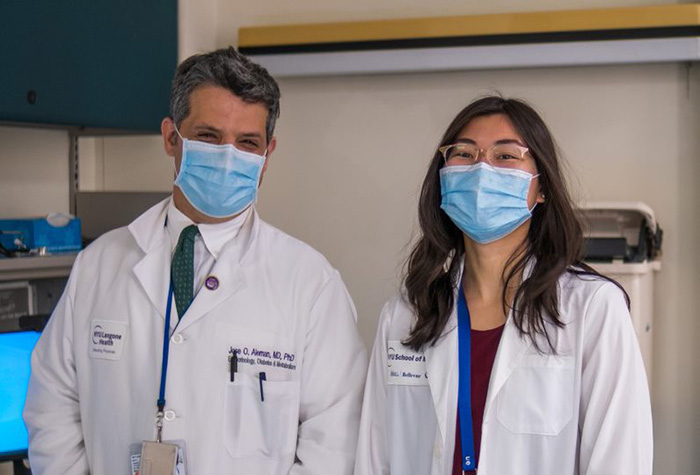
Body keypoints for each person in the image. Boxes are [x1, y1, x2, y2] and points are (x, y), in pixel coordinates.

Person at [24, 47, 367, 475]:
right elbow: (52, 407)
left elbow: (334, 444)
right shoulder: (99, 265)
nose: (228, 155)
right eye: (208, 136)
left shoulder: (311, 284)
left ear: (267, 154)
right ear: (171, 138)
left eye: (247, 143)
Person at [354, 96, 652, 474]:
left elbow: (620, 460)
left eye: (506, 156)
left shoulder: (592, 309)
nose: (481, 169)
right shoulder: (405, 315)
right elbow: (374, 458)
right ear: (442, 177)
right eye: (463, 153)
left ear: (541, 187)